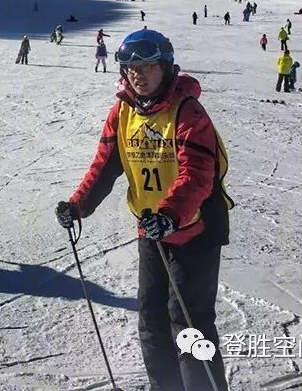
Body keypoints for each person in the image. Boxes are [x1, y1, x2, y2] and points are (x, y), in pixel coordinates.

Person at [55, 29, 232, 391]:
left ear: (165, 68)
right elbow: (104, 166)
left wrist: (169, 214)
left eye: (148, 66)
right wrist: (78, 205)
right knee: (151, 320)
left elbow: (198, 174)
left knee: (188, 324)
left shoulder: (188, 111)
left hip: (194, 230)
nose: (139, 74)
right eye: (131, 67)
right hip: (151, 231)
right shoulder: (122, 112)